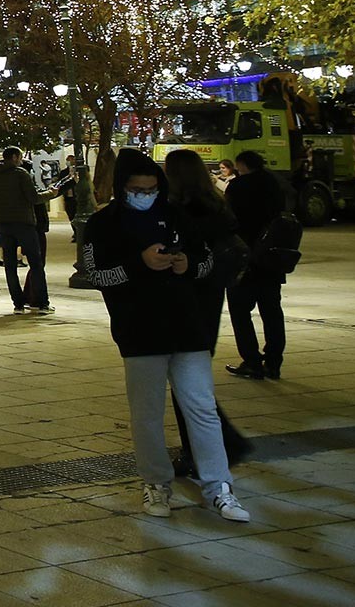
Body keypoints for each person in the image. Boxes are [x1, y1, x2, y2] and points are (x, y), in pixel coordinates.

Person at [82, 149, 249, 522]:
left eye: (152, 188)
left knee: (202, 409)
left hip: (186, 327)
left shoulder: (176, 215)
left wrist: (187, 265)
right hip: (139, 332)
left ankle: (219, 486)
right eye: (137, 188)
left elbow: (205, 261)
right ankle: (156, 484)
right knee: (147, 414)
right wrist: (137, 265)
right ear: (122, 187)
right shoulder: (103, 224)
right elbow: (96, 275)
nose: (145, 194)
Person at [163, 149, 252, 477]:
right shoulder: (216, 205)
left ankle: (208, 449)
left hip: (186, 300)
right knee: (192, 380)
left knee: (186, 384)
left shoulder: (180, 212)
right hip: (210, 298)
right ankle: (209, 447)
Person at [224, 149, 287, 380]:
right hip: (272, 257)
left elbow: (228, 220)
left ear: (242, 165)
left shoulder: (238, 187)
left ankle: (251, 361)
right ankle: (273, 362)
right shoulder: (275, 184)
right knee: (271, 310)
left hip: (244, 257)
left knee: (240, 311)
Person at [0, 147, 49, 314]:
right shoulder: (20, 174)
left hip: (3, 226)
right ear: (15, 157)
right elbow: (33, 198)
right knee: (36, 263)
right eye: (20, 157)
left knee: (10, 266)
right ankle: (42, 303)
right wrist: (51, 193)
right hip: (23, 223)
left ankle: (18, 304)